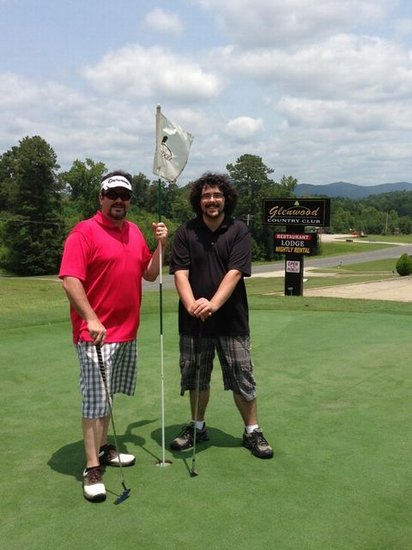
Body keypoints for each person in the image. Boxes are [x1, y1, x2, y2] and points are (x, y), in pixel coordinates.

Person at [59, 169, 168, 502]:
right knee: (94, 401)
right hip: (95, 334)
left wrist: (162, 244)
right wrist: (90, 318)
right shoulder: (84, 233)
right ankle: (92, 467)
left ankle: (104, 448)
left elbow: (149, 273)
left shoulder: (134, 232)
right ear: (101, 198)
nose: (119, 201)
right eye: (113, 195)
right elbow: (70, 280)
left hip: (125, 332)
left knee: (107, 397)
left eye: (125, 196)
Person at [169, 172, 273, 459]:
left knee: (242, 375)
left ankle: (252, 431)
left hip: (231, 320)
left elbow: (235, 272)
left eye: (216, 195)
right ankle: (198, 426)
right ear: (198, 201)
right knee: (196, 377)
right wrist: (192, 305)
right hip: (193, 320)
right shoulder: (186, 232)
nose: (211, 200)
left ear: (226, 198)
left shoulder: (239, 230)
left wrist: (212, 304)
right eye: (206, 196)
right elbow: (180, 273)